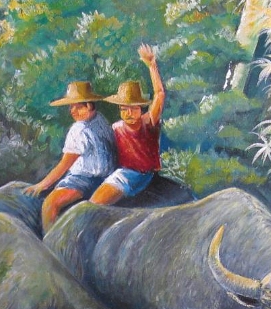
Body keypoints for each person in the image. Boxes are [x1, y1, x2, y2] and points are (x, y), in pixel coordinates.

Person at [26, 81, 116, 230]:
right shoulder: (100, 120)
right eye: (71, 106)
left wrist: (42, 184)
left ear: (89, 105)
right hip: (106, 177)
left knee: (49, 205)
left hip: (84, 180)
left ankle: (50, 239)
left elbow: (64, 164)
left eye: (77, 106)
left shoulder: (79, 129)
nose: (72, 111)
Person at [91, 44, 167, 206]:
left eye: (133, 108)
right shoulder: (116, 128)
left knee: (94, 203)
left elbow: (160, 94)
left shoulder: (148, 121)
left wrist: (152, 65)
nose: (129, 113)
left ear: (141, 108)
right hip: (125, 173)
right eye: (124, 109)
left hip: (137, 175)